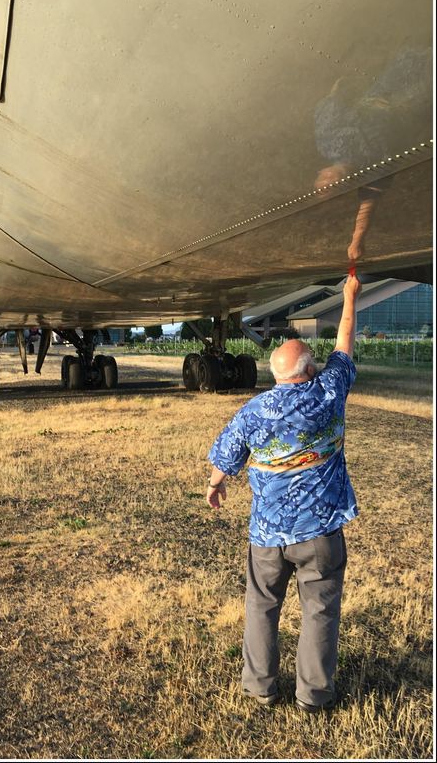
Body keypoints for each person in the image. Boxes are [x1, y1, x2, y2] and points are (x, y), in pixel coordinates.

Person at [206, 274, 362, 713]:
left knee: (261, 607)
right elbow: (345, 342)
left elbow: (224, 457)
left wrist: (216, 487)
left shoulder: (252, 412)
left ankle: (259, 688)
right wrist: (349, 297)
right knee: (320, 612)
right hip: (321, 533)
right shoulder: (329, 393)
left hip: (267, 537)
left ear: (276, 375)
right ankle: (313, 697)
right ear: (309, 370)